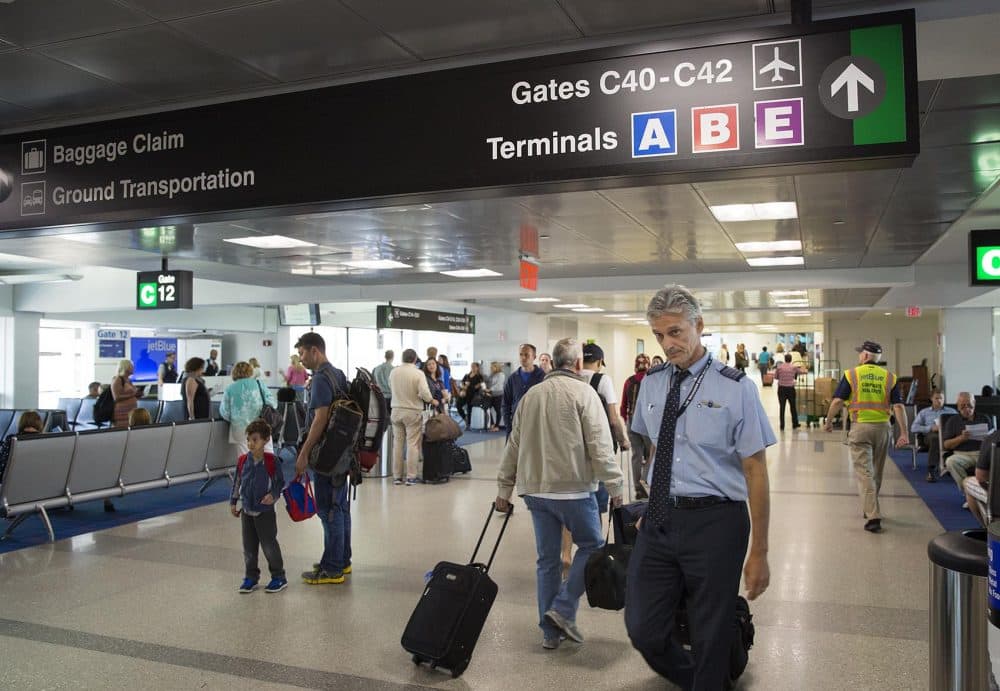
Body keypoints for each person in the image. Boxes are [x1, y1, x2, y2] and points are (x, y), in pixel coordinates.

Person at [625, 285, 773, 690]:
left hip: (716, 521)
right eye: (659, 334)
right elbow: (656, 449)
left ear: (699, 326)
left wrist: (759, 550)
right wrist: (650, 505)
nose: (667, 343)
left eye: (675, 332)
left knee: (710, 632)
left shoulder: (735, 387)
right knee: (643, 627)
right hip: (659, 521)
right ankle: (703, 681)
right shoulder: (652, 383)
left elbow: (756, 471)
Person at [496, 337, 624, 651]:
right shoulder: (585, 393)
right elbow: (600, 446)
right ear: (578, 364)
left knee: (547, 561)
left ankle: (550, 634)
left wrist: (504, 488)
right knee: (592, 546)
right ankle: (563, 609)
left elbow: (513, 444)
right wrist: (616, 487)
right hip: (573, 490)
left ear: (552, 362)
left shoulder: (531, 396)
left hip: (536, 492)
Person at [824, 340, 908, 533]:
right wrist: (903, 432)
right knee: (876, 472)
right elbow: (899, 407)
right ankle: (871, 508)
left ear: (865, 356)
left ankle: (873, 516)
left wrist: (829, 421)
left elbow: (837, 401)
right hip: (883, 429)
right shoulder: (889, 377)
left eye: (860, 353)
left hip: (860, 428)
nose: (859, 356)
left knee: (865, 474)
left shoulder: (851, 374)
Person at [293, 332, 353, 585]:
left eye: (303, 354)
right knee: (340, 508)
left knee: (329, 510)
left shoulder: (319, 380)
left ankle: (332, 568)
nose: (301, 360)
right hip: (342, 453)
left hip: (327, 456)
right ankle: (342, 560)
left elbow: (320, 419)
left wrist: (304, 452)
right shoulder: (337, 374)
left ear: (315, 350)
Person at [231, 419, 287, 594]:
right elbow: (237, 482)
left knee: (269, 545)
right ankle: (251, 577)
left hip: (265, 512)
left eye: (255, 440)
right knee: (249, 547)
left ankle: (279, 576)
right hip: (247, 510)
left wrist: (274, 496)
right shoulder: (242, 461)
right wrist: (233, 501)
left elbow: (280, 483)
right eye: (248, 440)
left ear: (266, 440)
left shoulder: (272, 461)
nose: (250, 444)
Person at [389, 348, 433, 486]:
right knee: (412, 444)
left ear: (402, 358)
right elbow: (425, 394)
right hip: (412, 411)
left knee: (397, 444)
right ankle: (411, 477)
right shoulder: (418, 373)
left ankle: (397, 477)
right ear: (415, 359)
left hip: (396, 410)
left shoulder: (394, 372)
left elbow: (391, 387)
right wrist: (431, 399)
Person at [220, 361, 278, 455]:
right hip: (261, 426)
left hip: (240, 428)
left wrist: (235, 418)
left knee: (244, 460)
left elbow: (224, 412)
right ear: (250, 371)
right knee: (268, 456)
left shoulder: (229, 389)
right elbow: (273, 404)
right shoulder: (259, 384)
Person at [941, 392, 991, 496]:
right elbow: (946, 445)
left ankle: (991, 494)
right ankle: (969, 494)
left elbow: (993, 438)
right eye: (962, 406)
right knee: (950, 462)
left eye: (969, 405)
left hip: (982, 453)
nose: (967, 408)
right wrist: (961, 438)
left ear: (974, 403)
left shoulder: (984, 418)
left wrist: (988, 439)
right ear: (958, 406)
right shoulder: (953, 421)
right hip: (962, 454)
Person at [621, 353, 652, 499]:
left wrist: (627, 419)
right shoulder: (652, 380)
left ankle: (638, 489)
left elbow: (623, 406)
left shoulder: (629, 381)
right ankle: (646, 483)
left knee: (636, 456)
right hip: (647, 422)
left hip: (632, 421)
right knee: (650, 455)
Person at [911, 392, 957, 482]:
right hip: (930, 435)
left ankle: (950, 465)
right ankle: (931, 469)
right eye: (937, 398)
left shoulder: (951, 412)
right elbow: (913, 428)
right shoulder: (924, 412)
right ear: (931, 399)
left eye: (941, 398)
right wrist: (930, 428)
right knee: (935, 438)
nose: (939, 400)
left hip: (948, 435)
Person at [502, 343, 545, 437]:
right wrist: (508, 426)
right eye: (521, 354)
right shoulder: (512, 378)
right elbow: (506, 404)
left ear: (534, 357)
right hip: (515, 426)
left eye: (526, 355)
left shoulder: (543, 377)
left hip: (536, 427)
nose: (523, 358)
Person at [965, 428, 1000, 527]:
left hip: (997, 497)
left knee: (967, 482)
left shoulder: (993, 438)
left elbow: (981, 477)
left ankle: (988, 529)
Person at [0, 411, 43, 482]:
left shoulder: (11, 439)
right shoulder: (45, 440)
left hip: (11, 484)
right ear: (39, 423)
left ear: (21, 423)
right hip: (36, 483)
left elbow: (2, 466)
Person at [775, 353, 806, 431]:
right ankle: (795, 424)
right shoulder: (793, 367)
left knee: (782, 407)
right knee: (793, 406)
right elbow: (803, 372)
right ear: (791, 359)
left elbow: (776, 377)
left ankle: (782, 425)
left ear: (784, 359)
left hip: (781, 389)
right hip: (790, 389)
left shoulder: (779, 367)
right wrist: (805, 368)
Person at [111, 359, 138, 428]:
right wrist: (132, 395)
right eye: (131, 366)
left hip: (131, 411)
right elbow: (116, 397)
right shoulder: (118, 379)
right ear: (126, 367)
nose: (133, 368)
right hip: (122, 412)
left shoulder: (128, 380)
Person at [456, 361, 484, 427]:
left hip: (472, 394)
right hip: (464, 394)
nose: (472, 368)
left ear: (477, 368)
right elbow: (461, 383)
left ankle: (468, 424)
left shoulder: (479, 376)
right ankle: (465, 418)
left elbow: (481, 385)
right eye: (472, 366)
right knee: (458, 405)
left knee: (469, 409)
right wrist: (463, 386)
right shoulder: (467, 375)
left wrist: (470, 386)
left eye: (474, 366)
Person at [486, 362, 506, 432]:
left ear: (496, 367)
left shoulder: (501, 375)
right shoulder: (491, 375)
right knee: (487, 408)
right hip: (491, 395)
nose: (491, 368)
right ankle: (492, 424)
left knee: (498, 410)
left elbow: (498, 385)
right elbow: (488, 383)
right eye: (491, 367)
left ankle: (497, 426)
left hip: (498, 394)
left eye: (492, 367)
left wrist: (489, 389)